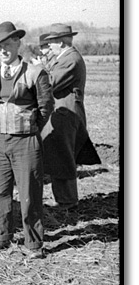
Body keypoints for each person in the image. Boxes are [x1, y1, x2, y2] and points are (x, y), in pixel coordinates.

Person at [0, 22, 54, 259]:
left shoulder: (35, 73)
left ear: (18, 43)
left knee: (29, 193)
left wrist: (29, 127)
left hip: (26, 141)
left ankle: (33, 243)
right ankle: (1, 236)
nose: (3, 50)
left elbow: (46, 106)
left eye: (7, 44)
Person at [41, 23, 100, 209]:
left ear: (62, 42)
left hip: (66, 114)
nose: (49, 46)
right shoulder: (66, 57)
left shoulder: (69, 59)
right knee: (60, 155)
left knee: (63, 156)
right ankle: (64, 198)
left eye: (52, 42)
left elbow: (50, 83)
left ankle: (67, 200)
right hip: (63, 112)